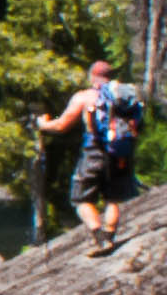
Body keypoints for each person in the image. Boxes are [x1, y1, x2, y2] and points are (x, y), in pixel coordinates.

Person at [34, 57, 147, 257]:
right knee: (113, 198)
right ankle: (110, 235)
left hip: (94, 152)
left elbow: (62, 125)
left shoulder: (85, 96)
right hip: (121, 153)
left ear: (92, 77)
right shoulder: (125, 95)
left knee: (80, 198)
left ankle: (99, 238)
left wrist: (43, 125)